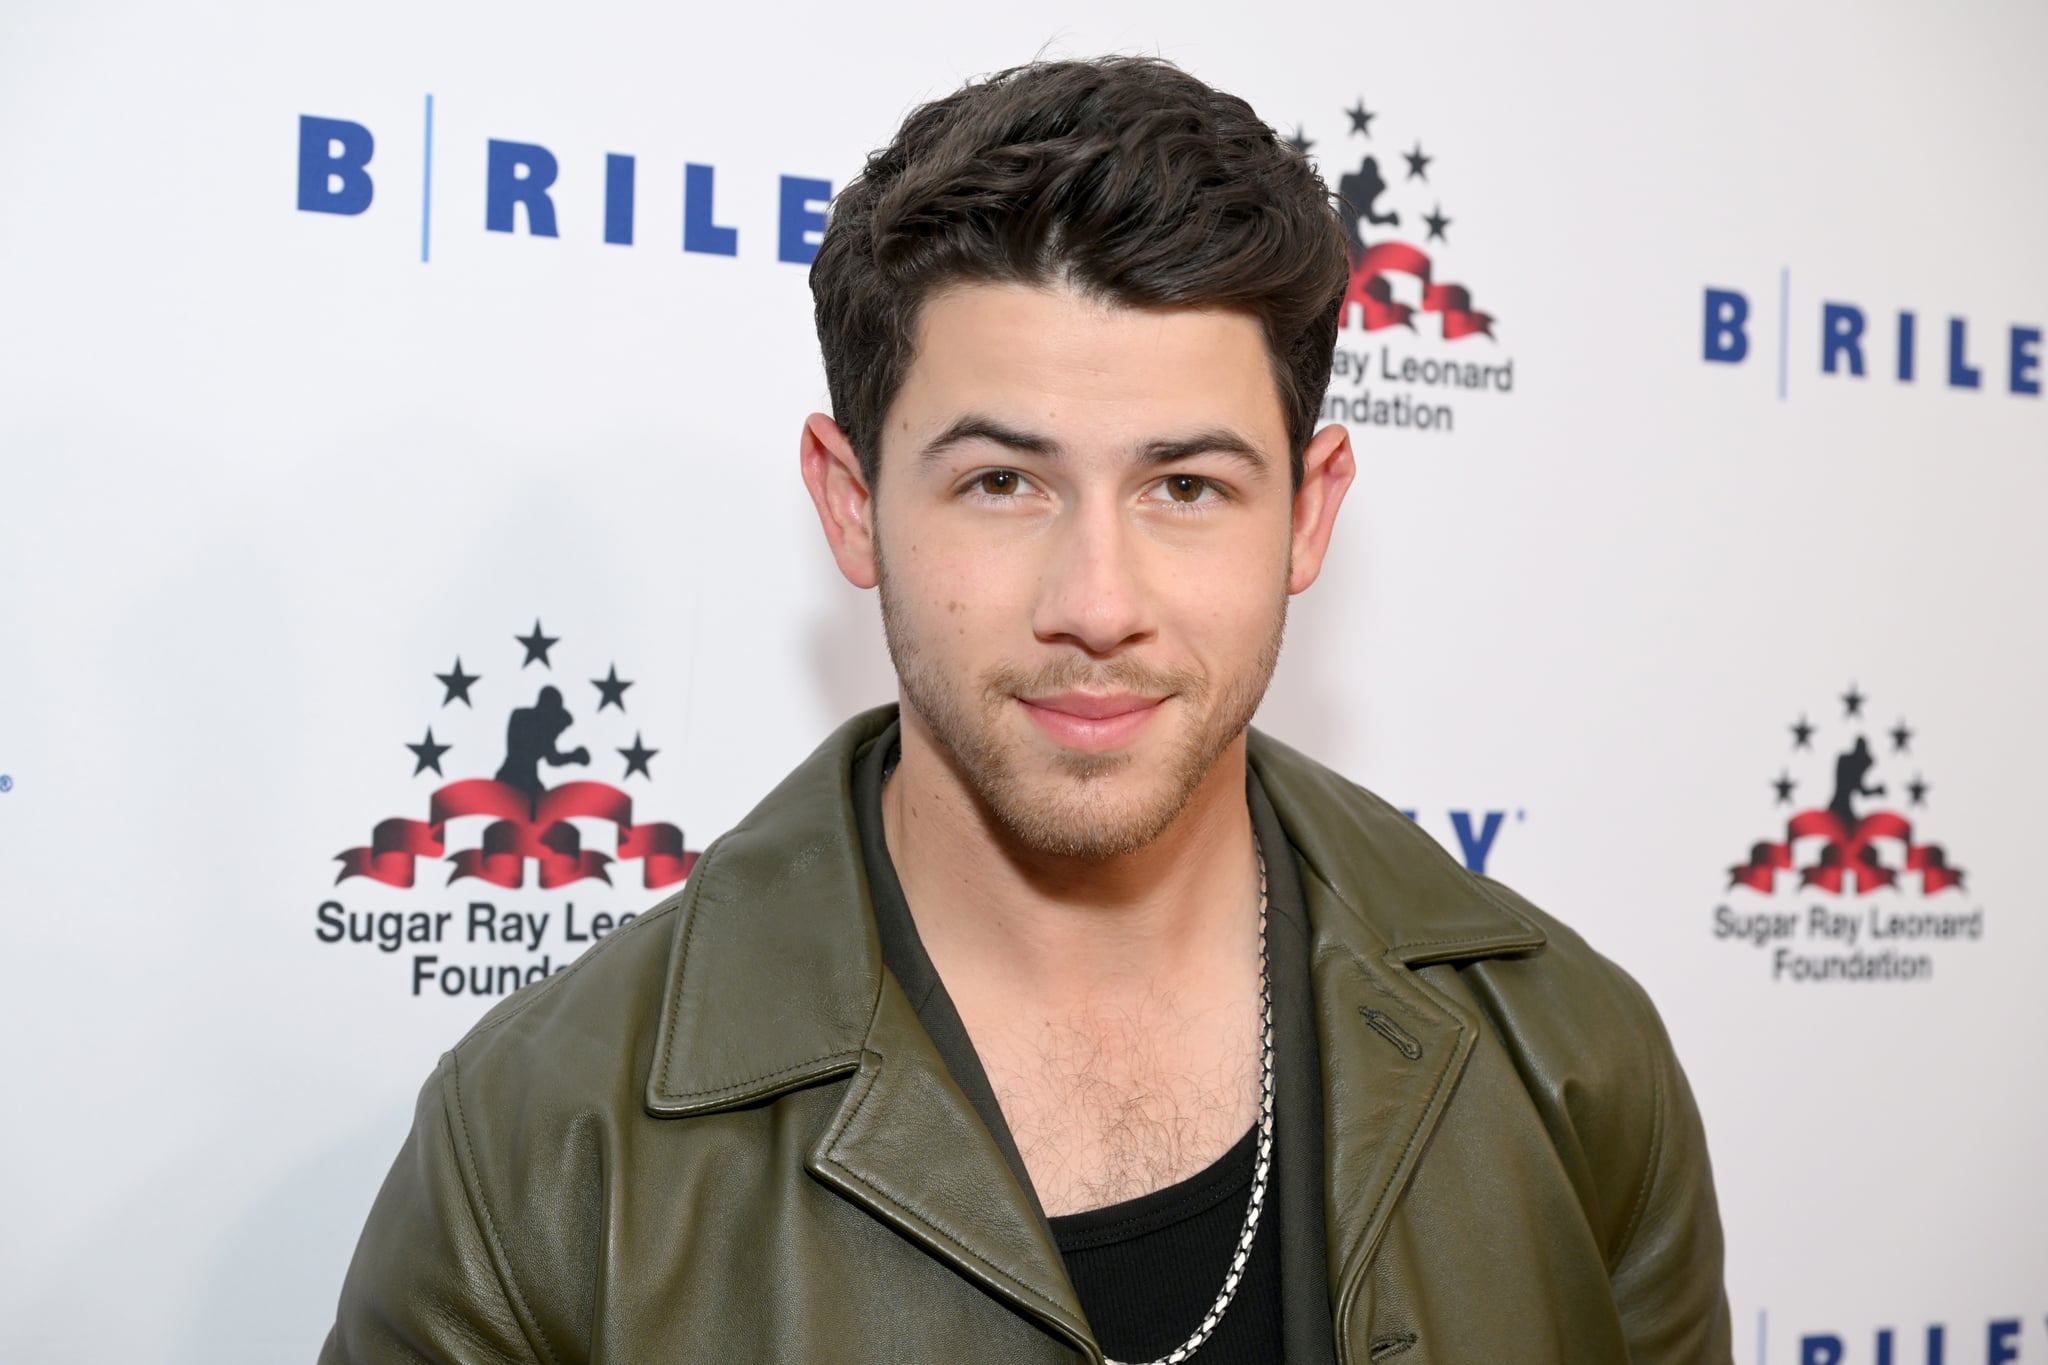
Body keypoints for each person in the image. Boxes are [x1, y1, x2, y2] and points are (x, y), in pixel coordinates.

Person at [322, 55, 1729, 1364]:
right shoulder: (545, 1154)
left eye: (1187, 486)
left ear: (1309, 517)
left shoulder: (1571, 1064)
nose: (1098, 601)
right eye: (1004, 482)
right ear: (853, 499)